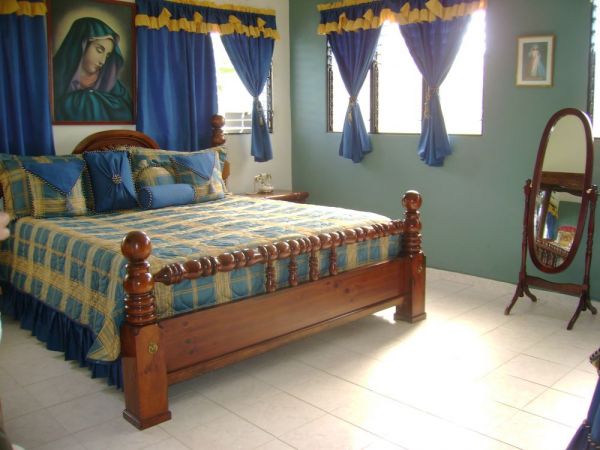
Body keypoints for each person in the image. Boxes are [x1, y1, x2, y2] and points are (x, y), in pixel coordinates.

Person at [53, 17, 132, 122]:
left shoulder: (114, 85)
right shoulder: (56, 79)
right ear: (82, 45)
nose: (103, 61)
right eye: (99, 50)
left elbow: (128, 113)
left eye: (107, 55)